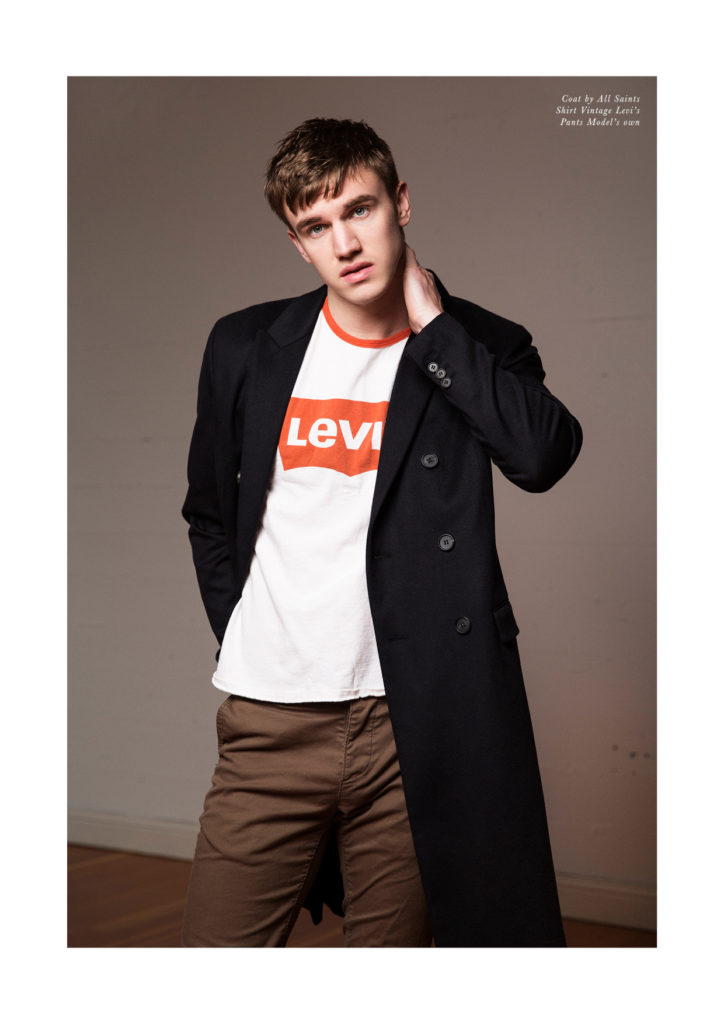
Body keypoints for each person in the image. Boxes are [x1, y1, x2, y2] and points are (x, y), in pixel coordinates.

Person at [180, 117, 582, 947]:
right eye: (315, 226)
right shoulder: (246, 346)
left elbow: (543, 456)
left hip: (414, 724)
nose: (344, 243)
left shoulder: (480, 344)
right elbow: (210, 516)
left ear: (400, 202)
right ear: (298, 245)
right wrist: (249, 631)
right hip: (272, 720)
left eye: (358, 210)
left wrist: (437, 331)